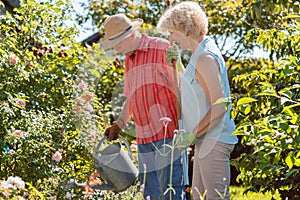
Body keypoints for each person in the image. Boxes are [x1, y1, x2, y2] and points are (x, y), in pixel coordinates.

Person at [157, 2, 239, 200]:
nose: (172, 39)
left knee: (215, 197)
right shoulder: (199, 55)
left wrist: (191, 135)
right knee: (200, 196)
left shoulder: (204, 57)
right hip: (206, 139)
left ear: (185, 29)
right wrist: (178, 66)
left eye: (172, 33)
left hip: (214, 139)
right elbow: (195, 89)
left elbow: (220, 106)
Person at [101, 13, 185, 199]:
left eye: (119, 44)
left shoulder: (162, 48)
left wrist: (177, 65)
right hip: (143, 138)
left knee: (170, 191)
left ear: (131, 35)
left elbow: (183, 84)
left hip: (167, 135)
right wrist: (120, 123)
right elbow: (132, 97)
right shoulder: (129, 60)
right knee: (151, 194)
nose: (117, 50)